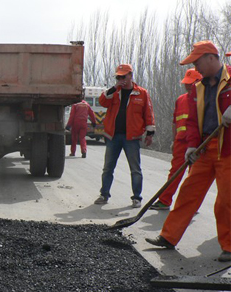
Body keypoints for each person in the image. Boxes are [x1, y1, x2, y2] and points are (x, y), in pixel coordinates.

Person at [145, 41, 231, 262]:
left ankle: (229, 246)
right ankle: (169, 236)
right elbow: (192, 120)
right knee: (187, 193)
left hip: (228, 149)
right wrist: (192, 145)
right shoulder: (198, 87)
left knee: (225, 200)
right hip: (205, 148)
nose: (195, 66)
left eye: (197, 61)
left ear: (211, 57)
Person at [94, 64, 155, 208]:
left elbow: (148, 113)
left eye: (123, 76)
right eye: (118, 77)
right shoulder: (114, 92)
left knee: (135, 169)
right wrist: (114, 87)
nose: (121, 79)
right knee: (108, 168)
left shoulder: (141, 93)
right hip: (113, 136)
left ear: (130, 75)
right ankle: (104, 195)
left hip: (131, 138)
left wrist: (150, 133)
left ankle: (136, 198)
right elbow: (102, 102)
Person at [150, 68, 202, 210]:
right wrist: (174, 140)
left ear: (199, 82)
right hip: (181, 142)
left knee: (194, 175)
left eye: (190, 83)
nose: (187, 86)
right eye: (186, 83)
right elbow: (175, 122)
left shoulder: (205, 99)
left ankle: (192, 205)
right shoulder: (181, 100)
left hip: (198, 143)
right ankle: (164, 201)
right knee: (175, 172)